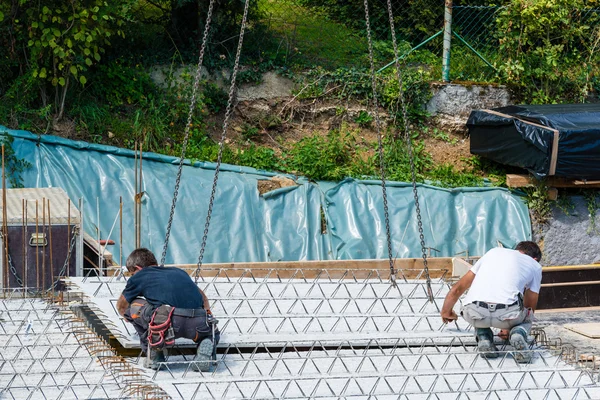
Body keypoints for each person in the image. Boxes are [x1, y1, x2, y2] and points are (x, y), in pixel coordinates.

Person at [116, 248, 220, 371]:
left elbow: (121, 306)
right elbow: (202, 296)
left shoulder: (140, 276)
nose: (132, 277)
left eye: (132, 274)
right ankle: (205, 341)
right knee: (210, 333)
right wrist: (207, 312)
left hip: (169, 323)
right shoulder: (179, 272)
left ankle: (154, 351)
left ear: (138, 268)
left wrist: (129, 317)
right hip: (198, 323)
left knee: (133, 307)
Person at [440, 241, 542, 363]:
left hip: (474, 313)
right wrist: (510, 326)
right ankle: (518, 333)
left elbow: (457, 289)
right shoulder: (534, 265)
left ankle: (484, 337)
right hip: (507, 314)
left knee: (478, 302)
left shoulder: (492, 252)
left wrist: (446, 311)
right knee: (528, 314)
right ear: (535, 259)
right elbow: (530, 302)